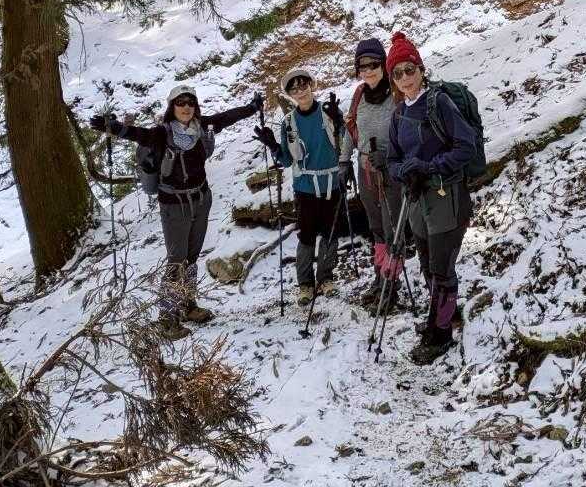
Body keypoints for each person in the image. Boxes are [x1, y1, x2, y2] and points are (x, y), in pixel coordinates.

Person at [91, 83, 260, 339]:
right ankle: (167, 319)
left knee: (191, 257)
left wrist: (252, 108)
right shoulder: (162, 133)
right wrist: (113, 127)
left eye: (191, 102)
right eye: (181, 102)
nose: (186, 107)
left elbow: (228, 117)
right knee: (176, 261)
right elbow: (137, 134)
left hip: (201, 199)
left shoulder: (203, 126)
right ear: (172, 107)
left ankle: (188, 305)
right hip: (173, 204)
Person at [386, 32, 476, 365]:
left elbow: (465, 147)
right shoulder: (398, 115)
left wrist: (428, 167)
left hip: (446, 197)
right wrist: (404, 172)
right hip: (417, 201)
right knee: (427, 265)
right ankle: (444, 315)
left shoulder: (440, 103)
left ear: (421, 69)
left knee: (441, 268)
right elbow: (392, 160)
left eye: (409, 70)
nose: (405, 78)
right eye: (397, 73)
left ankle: (441, 335)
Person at [255, 67, 348, 306]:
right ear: (290, 94)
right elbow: (287, 160)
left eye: (303, 85)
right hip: (305, 187)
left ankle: (326, 278)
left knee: (330, 233)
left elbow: (346, 142)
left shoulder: (329, 112)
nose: (300, 91)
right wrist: (273, 146)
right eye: (294, 89)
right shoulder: (289, 123)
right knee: (306, 236)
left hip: (331, 183)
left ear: (311, 86)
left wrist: (340, 122)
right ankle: (305, 284)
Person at [337, 37, 403, 309]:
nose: (368, 71)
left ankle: (391, 285)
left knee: (391, 230)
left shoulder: (396, 93)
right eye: (362, 66)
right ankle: (379, 278)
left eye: (373, 64)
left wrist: (389, 156)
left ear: (383, 65)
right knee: (375, 229)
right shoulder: (359, 95)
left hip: (390, 171)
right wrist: (343, 162)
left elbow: (407, 133)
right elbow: (351, 128)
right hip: (365, 170)